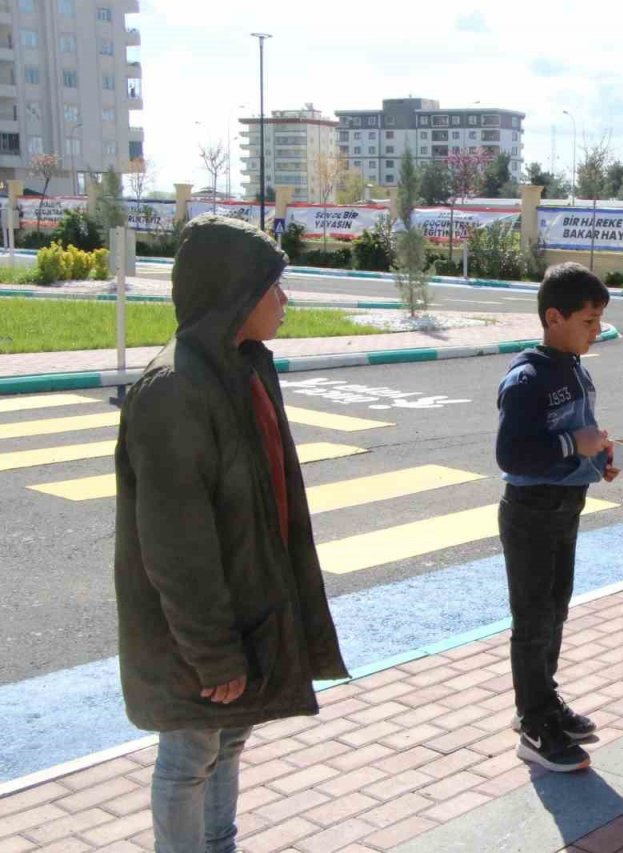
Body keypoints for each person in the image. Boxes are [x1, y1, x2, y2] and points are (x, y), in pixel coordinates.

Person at [114, 215, 349, 853]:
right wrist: (212, 651)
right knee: (190, 752)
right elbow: (175, 546)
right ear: (237, 293)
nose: (285, 301)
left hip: (247, 602)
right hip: (201, 626)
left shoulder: (241, 369)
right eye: (275, 286)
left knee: (231, 737)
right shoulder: (176, 391)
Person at [496, 262, 617, 773]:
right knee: (533, 619)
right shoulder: (526, 379)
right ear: (554, 317)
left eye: (598, 320)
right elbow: (512, 455)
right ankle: (533, 722)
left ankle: (546, 700)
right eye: (588, 321)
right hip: (531, 512)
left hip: (566, 506)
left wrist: (599, 459)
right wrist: (573, 444)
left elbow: (579, 434)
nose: (596, 330)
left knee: (556, 609)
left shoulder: (574, 367)